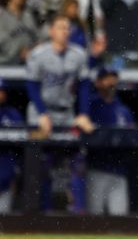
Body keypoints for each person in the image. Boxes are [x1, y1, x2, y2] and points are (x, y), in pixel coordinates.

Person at [26, 14, 94, 212]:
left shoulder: (79, 54)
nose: (65, 31)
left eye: (67, 28)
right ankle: (39, 212)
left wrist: (83, 113)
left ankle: (77, 213)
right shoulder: (39, 54)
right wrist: (42, 113)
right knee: (41, 161)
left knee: (77, 159)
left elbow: (84, 86)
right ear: (51, 31)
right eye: (60, 27)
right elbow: (32, 85)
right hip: (41, 111)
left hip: (66, 112)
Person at [86, 67, 134, 216]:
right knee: (94, 216)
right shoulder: (91, 106)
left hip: (119, 169)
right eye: (107, 78)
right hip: (97, 168)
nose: (111, 82)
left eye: (113, 78)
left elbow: (131, 136)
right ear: (98, 82)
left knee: (120, 217)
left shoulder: (122, 109)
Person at [0, 79, 24, 214]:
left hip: (6, 167)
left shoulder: (11, 113)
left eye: (1, 91)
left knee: (3, 218)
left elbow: (21, 139)